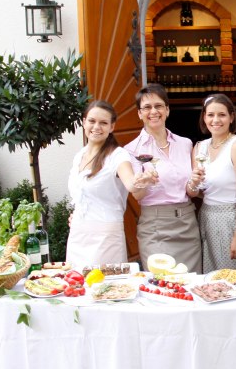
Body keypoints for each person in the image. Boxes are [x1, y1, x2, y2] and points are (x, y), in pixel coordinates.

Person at [123, 83, 202, 273]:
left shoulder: (185, 144)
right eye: (147, 107)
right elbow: (138, 195)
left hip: (187, 224)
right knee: (162, 285)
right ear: (139, 113)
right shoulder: (131, 150)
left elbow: (192, 191)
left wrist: (196, 182)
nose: (153, 111)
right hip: (155, 227)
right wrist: (145, 181)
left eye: (158, 106)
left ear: (167, 110)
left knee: (191, 284)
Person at [66, 100, 155, 267]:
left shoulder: (118, 155)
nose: (96, 127)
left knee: (105, 289)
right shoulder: (79, 155)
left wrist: (143, 179)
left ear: (112, 127)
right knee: (76, 287)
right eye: (92, 121)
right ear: (84, 122)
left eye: (103, 123)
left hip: (105, 237)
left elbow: (131, 184)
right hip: (77, 234)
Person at [188, 94, 236, 272]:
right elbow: (197, 192)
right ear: (204, 117)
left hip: (232, 220)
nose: (216, 120)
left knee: (235, 280)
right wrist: (193, 183)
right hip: (206, 219)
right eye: (210, 115)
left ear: (231, 117)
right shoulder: (199, 147)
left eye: (222, 115)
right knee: (211, 282)